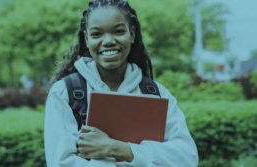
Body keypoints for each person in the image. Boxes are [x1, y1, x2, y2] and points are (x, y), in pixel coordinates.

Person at [44, 0, 198, 166]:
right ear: (86, 39)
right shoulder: (64, 94)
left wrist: (118, 148)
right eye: (97, 34)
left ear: (132, 34)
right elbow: (60, 163)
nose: (108, 40)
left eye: (118, 31)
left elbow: (186, 158)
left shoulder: (157, 94)